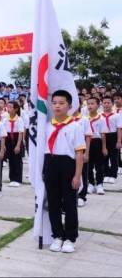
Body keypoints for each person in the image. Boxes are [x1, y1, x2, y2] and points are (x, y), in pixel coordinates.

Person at [45, 90, 86, 254]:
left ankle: (70, 237)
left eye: (61, 103)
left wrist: (77, 175)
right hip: (51, 164)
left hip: (68, 165)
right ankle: (57, 235)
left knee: (69, 203)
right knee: (53, 202)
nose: (57, 106)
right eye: (54, 103)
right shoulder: (47, 125)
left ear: (69, 105)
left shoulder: (75, 126)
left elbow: (79, 153)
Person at [86, 97, 106, 195]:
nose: (90, 106)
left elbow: (103, 134)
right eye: (88, 104)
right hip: (87, 143)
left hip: (97, 142)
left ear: (98, 105)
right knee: (88, 165)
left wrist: (104, 147)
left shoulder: (101, 118)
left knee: (99, 165)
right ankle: (91, 184)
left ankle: (99, 184)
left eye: (92, 104)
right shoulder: (84, 119)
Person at [73, 107, 91, 207]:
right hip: (70, 150)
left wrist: (86, 153)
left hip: (81, 148)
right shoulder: (67, 119)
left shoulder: (84, 119)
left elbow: (88, 136)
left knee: (82, 172)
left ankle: (81, 196)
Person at [3, 101, 25, 187]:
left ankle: (18, 179)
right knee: (11, 160)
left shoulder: (19, 119)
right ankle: (12, 178)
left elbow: (20, 133)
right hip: (8, 140)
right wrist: (4, 145)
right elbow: (4, 133)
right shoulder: (5, 119)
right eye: (7, 107)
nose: (8, 109)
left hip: (16, 140)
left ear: (15, 109)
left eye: (10, 107)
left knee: (17, 160)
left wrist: (18, 145)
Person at [101, 96, 121, 184]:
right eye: (104, 102)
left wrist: (119, 140)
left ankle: (113, 175)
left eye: (108, 102)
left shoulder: (117, 115)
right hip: (103, 136)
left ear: (112, 104)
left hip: (113, 136)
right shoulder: (99, 116)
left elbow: (119, 128)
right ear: (102, 104)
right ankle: (106, 174)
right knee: (104, 156)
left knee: (114, 157)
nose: (106, 104)